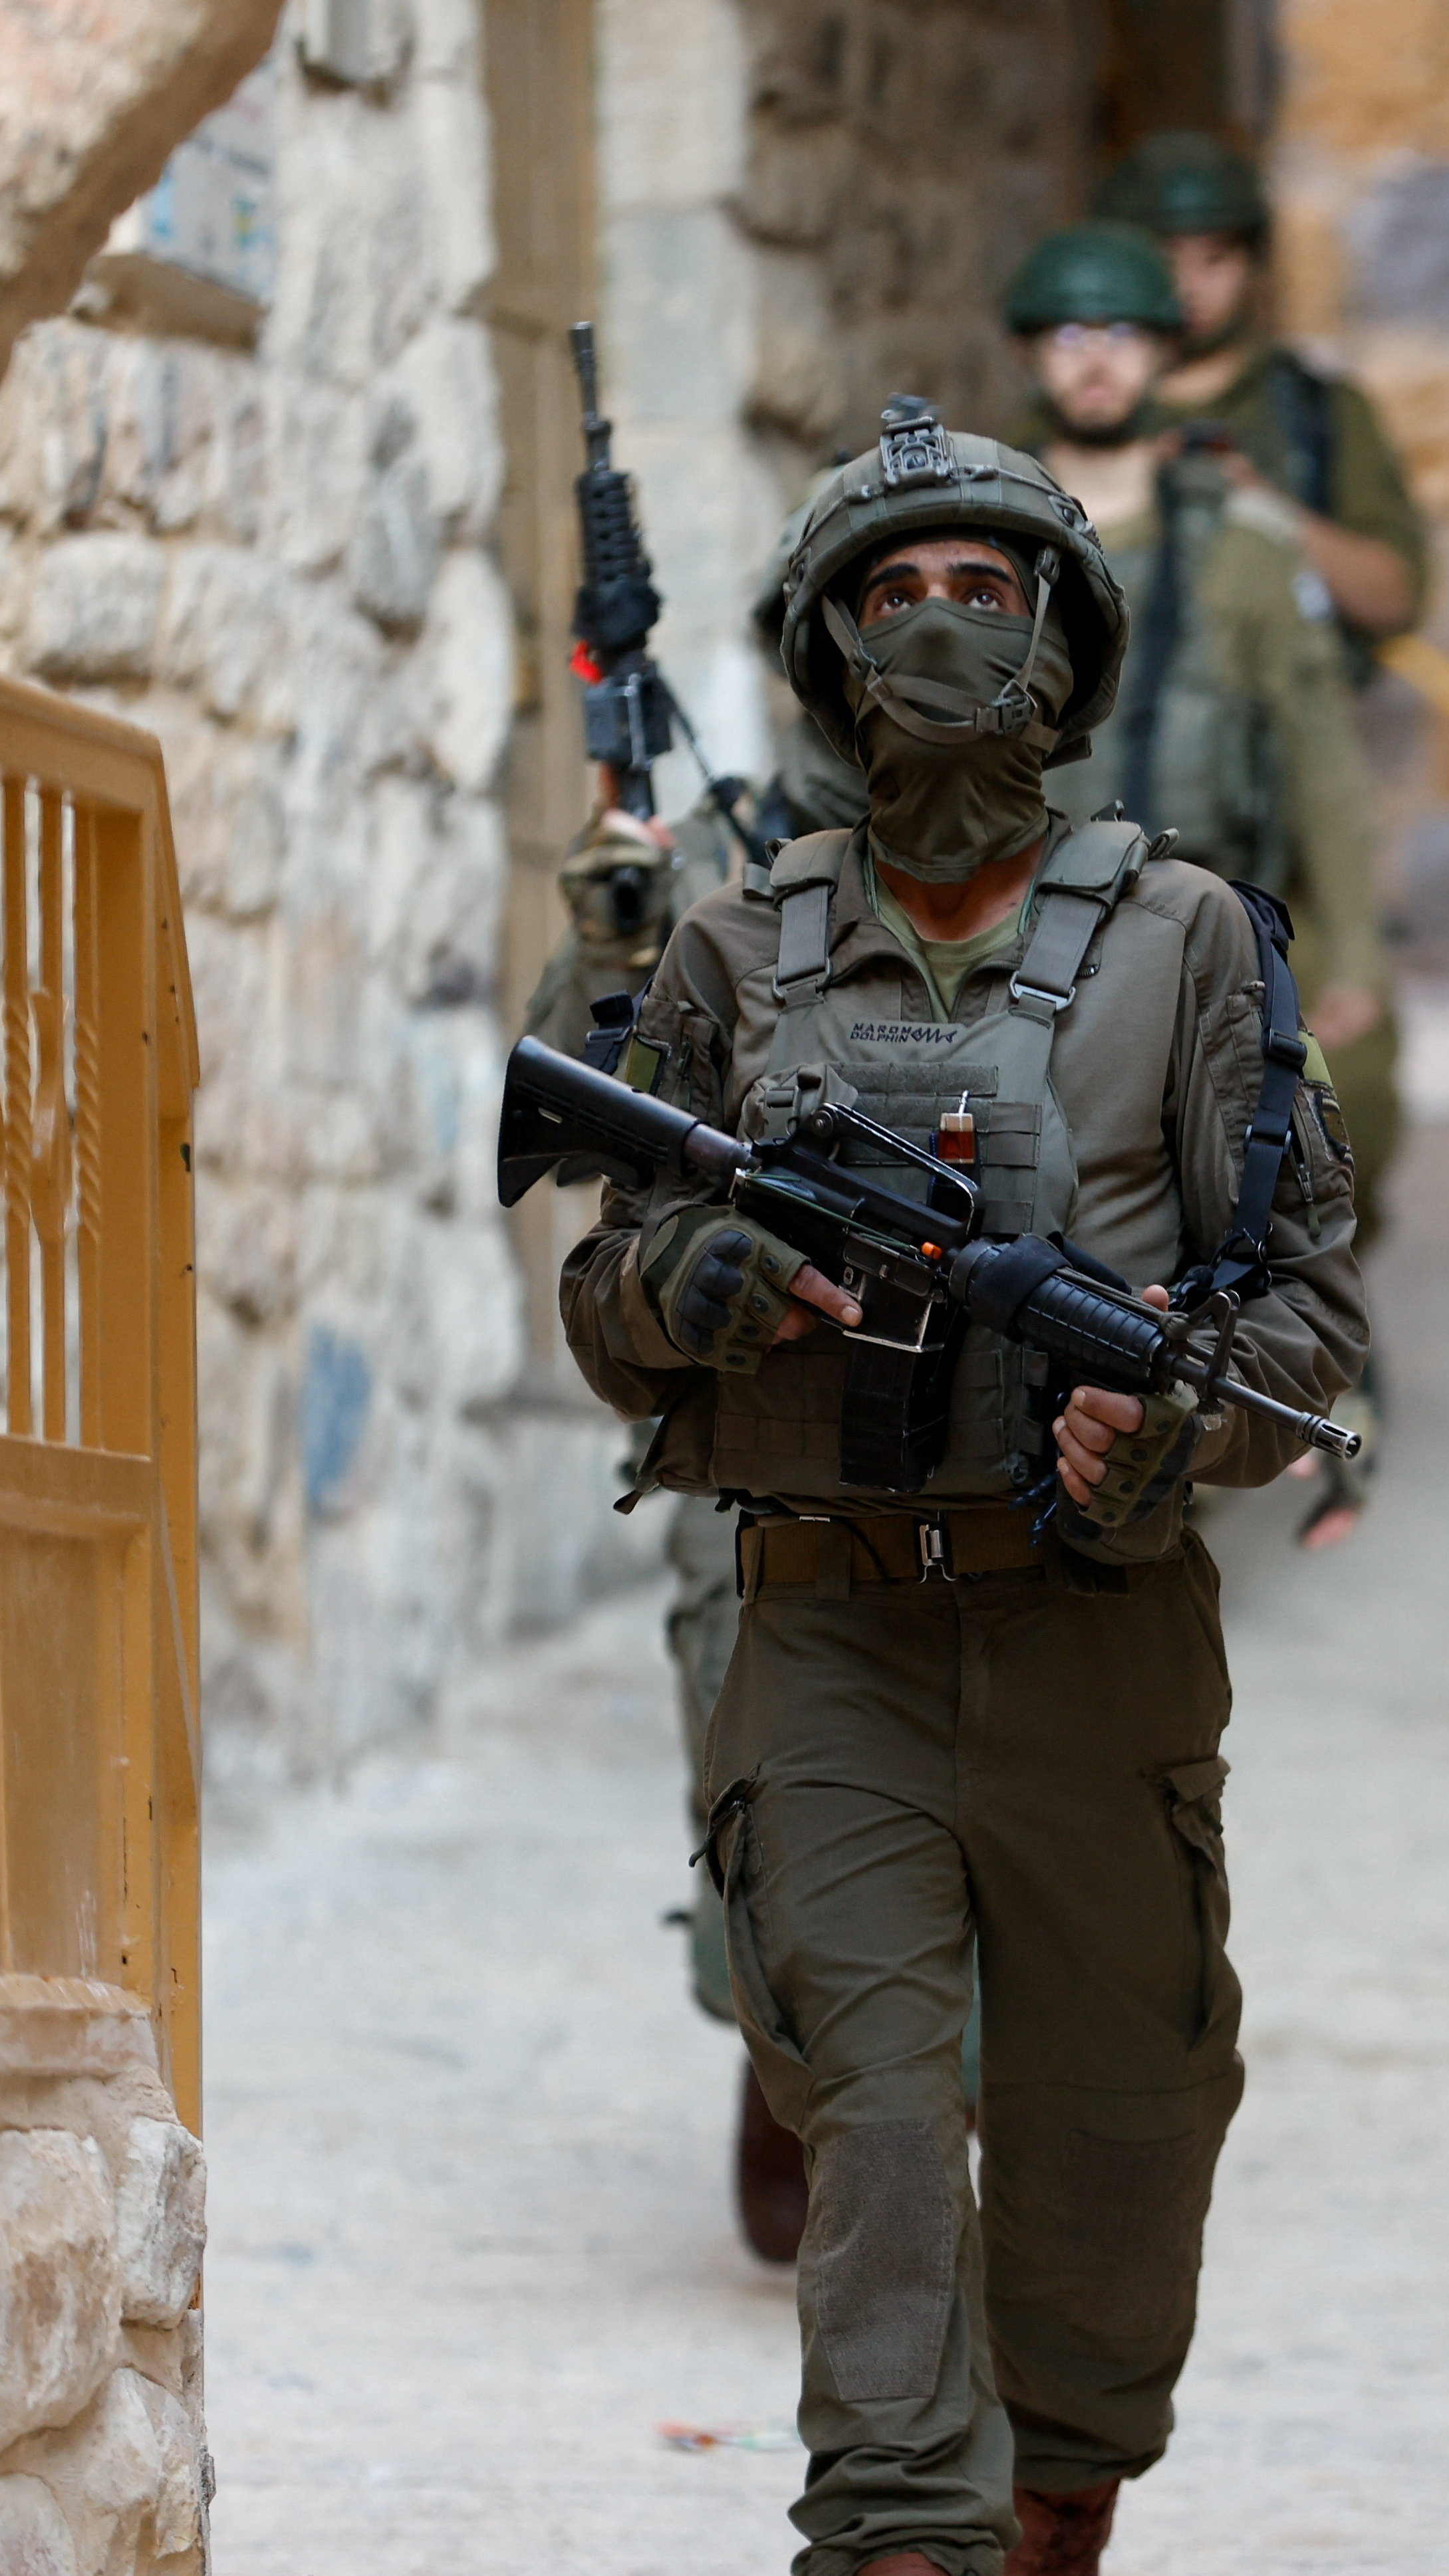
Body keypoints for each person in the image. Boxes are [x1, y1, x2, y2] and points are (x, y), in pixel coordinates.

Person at [555, 398, 1370, 2576]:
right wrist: (694, 1280)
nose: (934, 638)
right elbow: (599, 1292)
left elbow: (1305, 1327)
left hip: (1093, 1643)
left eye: (979, 597)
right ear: (826, 654)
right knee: (890, 2138)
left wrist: (1177, 1420)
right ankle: (901, 2535)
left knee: (1115, 2142)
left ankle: (1048, 2515)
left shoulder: (1191, 940)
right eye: (890, 601)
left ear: (1057, 639)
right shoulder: (733, 950)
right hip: (822, 1635)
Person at [519, 562, 872, 2268]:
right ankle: (780, 2049)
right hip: (752, 1447)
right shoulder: (718, 890)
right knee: (761, 1808)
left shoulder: (1099, 888)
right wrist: (610, 943)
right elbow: (574, 1119)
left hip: (981, 1444)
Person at [1008, 221, 1394, 1538]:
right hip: (1018, 925)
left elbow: (1318, 752)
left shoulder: (1231, 543)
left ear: (1165, 355)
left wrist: (1349, 948)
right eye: (1070, 336)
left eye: (1121, 335)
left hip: (1204, 925)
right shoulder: (988, 530)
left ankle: (1298, 1417)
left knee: (1276, 1179)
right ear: (1031, 354)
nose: (1097, 364)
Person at [1090, 130, 1433, 673]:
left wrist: (1265, 512)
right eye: (1166, 258)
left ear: (1252, 264)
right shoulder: (1080, 405)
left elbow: (1392, 598)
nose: (1189, 286)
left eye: (1215, 259)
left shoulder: (1318, 411)